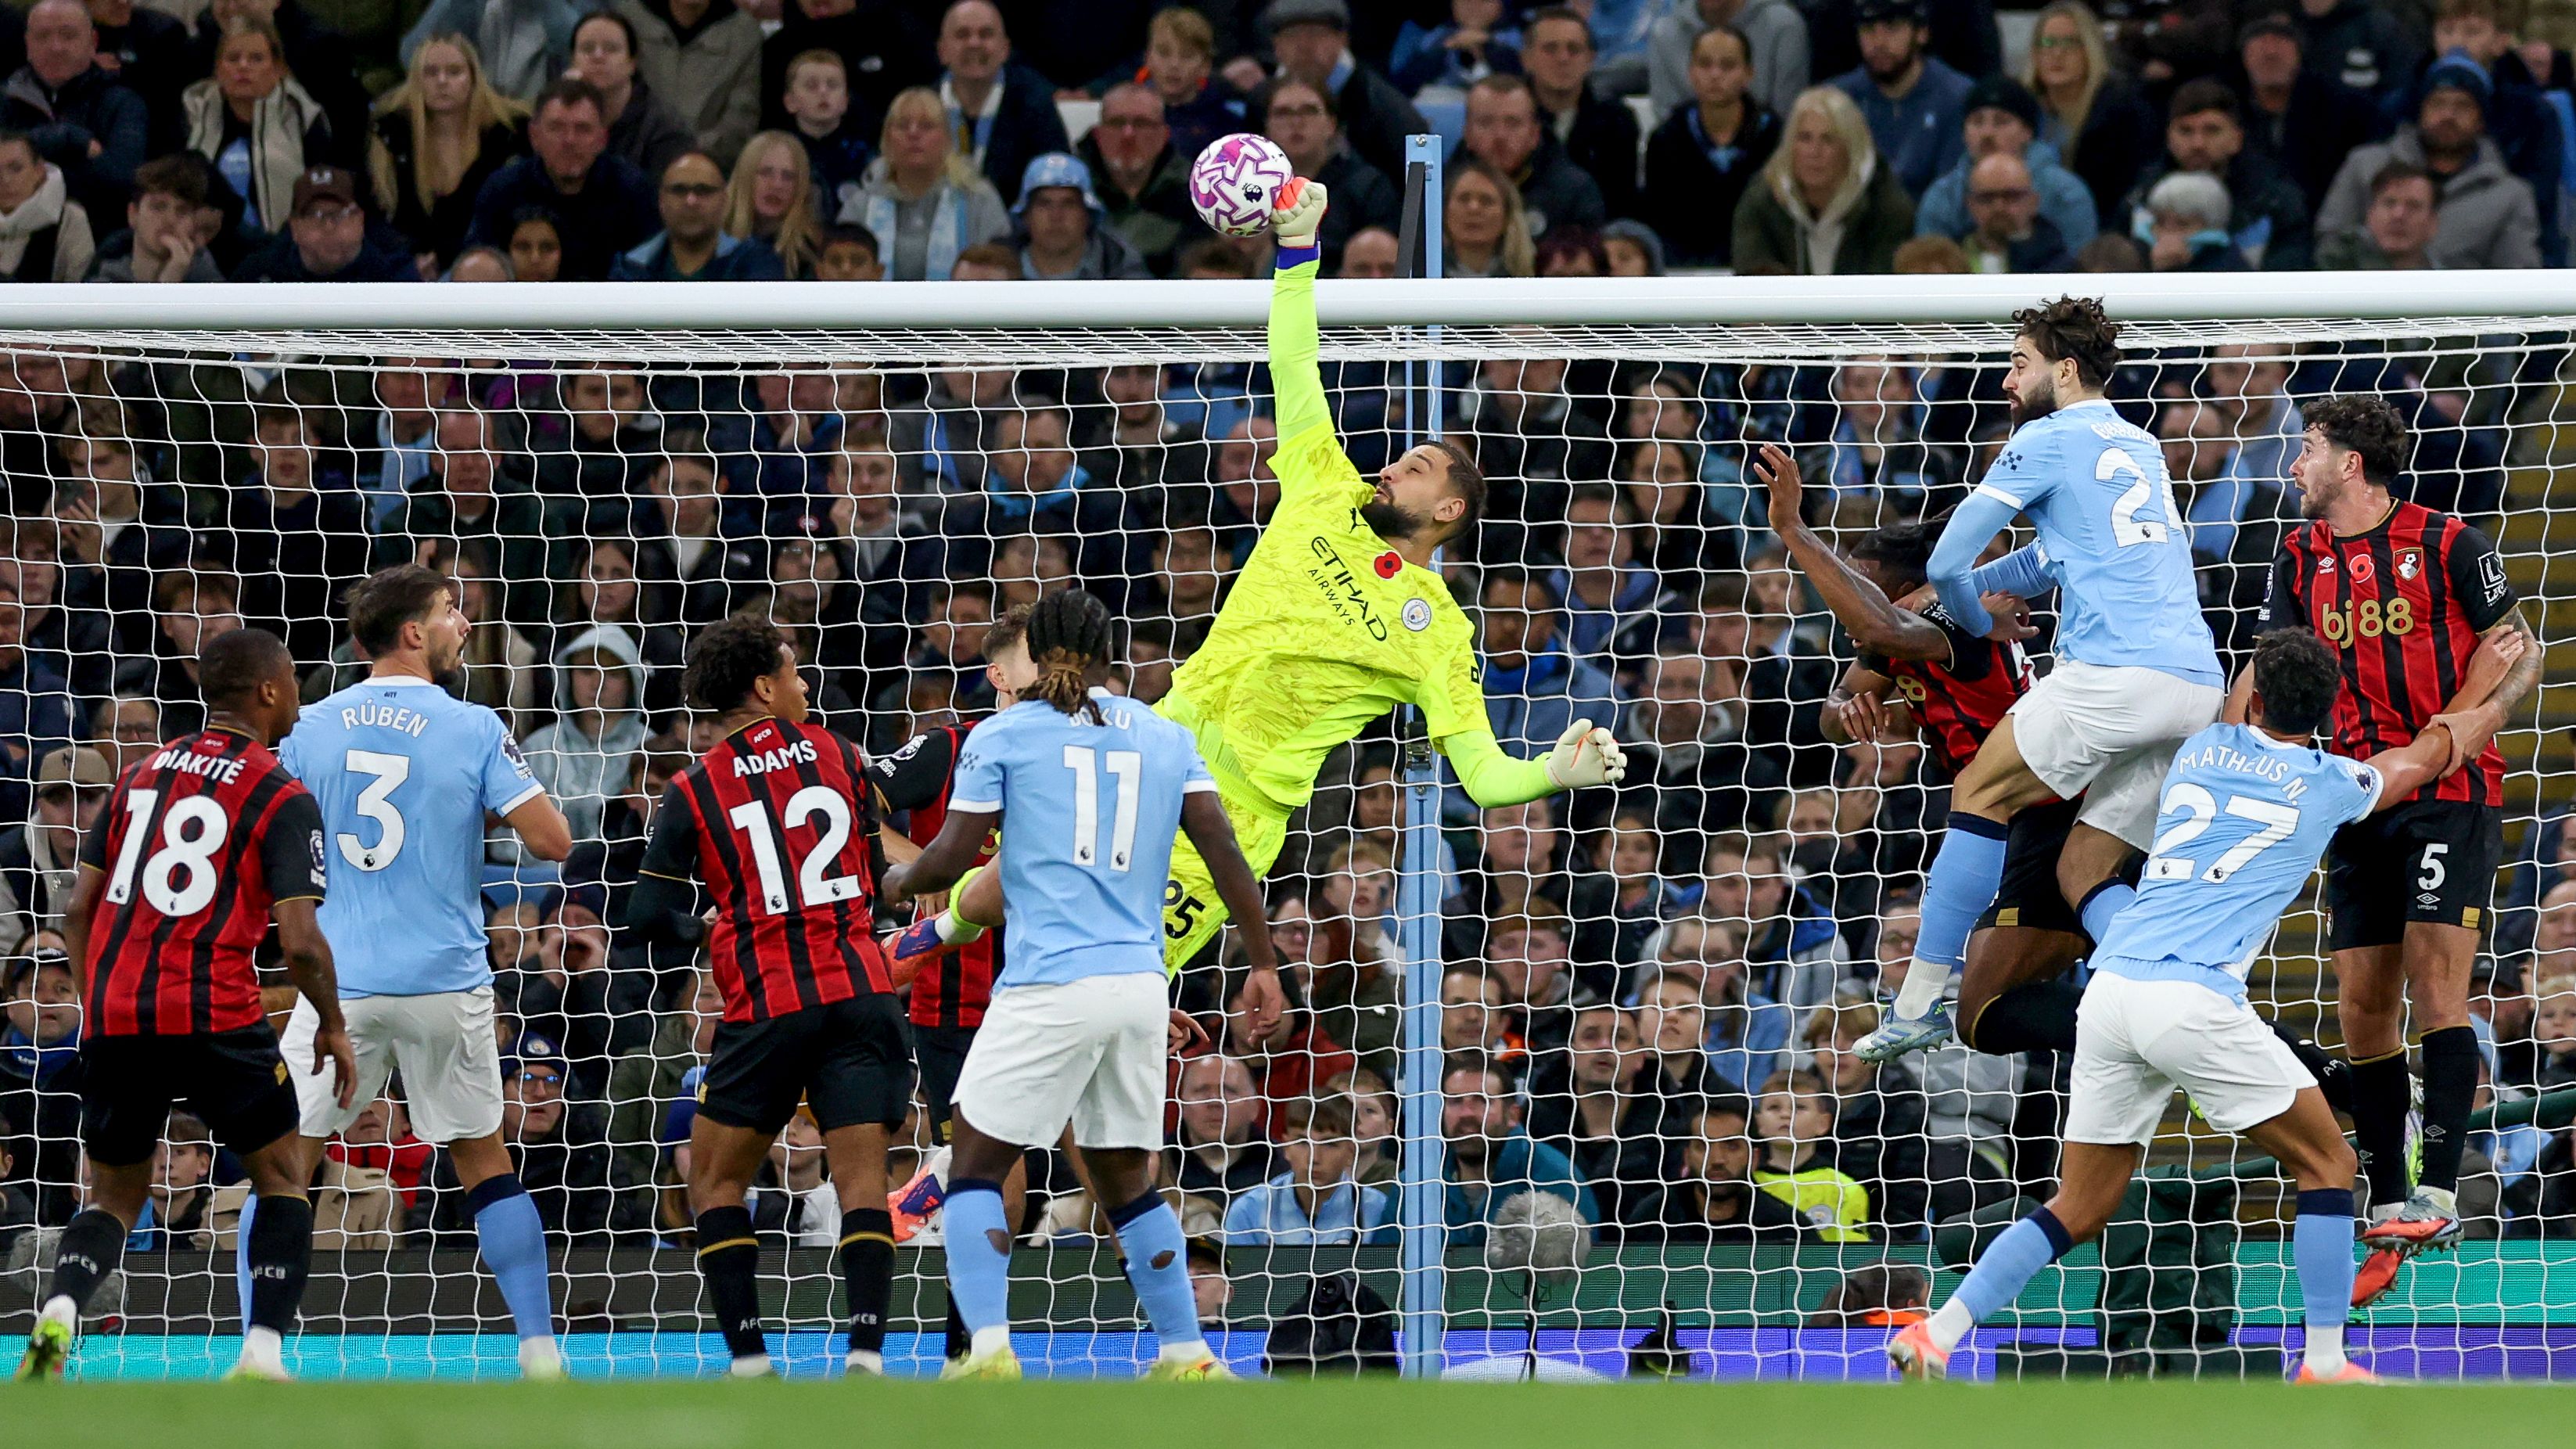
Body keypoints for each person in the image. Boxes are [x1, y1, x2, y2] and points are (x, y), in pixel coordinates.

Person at [902, 177, 1626, 985]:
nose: (1388, 468)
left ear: (1448, 507)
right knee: (1025, 872)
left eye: (1414, 468)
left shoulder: (1441, 630)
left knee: (1114, 978)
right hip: (1155, 742)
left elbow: (1485, 774)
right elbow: (1292, 358)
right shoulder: (1325, 487)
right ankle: (923, 936)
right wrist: (1295, 254)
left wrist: (1550, 773)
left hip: (1236, 819)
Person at [1888, 627, 2520, 1385]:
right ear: (2325, 711)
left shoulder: (2199, 750)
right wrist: (2494, 688)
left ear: (2252, 700)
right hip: (2191, 996)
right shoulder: (2328, 783)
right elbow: (2424, 757)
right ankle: (2322, 1361)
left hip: (2111, 991)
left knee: (2078, 1204)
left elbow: (2236, 701)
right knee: (2328, 1161)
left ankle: (1937, 1330)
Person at [881, 589, 1284, 1382]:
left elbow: (951, 857)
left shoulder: (1001, 734)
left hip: (1046, 984)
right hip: (1137, 987)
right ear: (1111, 652)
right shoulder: (1166, 736)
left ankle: (987, 1352)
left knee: (969, 1166)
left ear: (1035, 652)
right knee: (1127, 1182)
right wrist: (1264, 961)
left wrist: (899, 878)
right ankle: (1185, 1355)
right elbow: (1224, 850)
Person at [1862, 297, 2226, 1061]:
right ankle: (2183, 1000)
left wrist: (1966, 611)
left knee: (1976, 792)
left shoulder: (2047, 439)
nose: (2003, 380)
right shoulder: (2139, 446)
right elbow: (2046, 560)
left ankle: (1915, 1005)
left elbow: (1943, 561)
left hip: (2116, 672)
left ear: (2061, 370)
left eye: (2016, 362)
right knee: (2082, 869)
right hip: (2194, 686)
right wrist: (1955, 596)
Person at [2258, 395, 2542, 1306]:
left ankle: (2438, 1189)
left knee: (2434, 984)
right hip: (2354, 796)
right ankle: (2386, 1197)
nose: (2292, 462)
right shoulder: (2298, 556)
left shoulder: (2449, 541)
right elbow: (2271, 667)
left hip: (2449, 793)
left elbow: (2518, 649)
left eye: (2305, 447)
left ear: (2348, 462)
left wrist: (2469, 725)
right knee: (2361, 1011)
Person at [15, 627, 353, 1382]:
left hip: (121, 1014)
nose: (299, 690)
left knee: (112, 1195)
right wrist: (332, 1025)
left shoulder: (138, 777)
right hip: (217, 1015)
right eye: (293, 678)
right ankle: (262, 1355)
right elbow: (299, 941)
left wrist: (99, 996)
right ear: (267, 691)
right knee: (281, 1176)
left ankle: (56, 1323)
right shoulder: (282, 794)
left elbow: (77, 910)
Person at [268, 566, 573, 1378]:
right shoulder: (473, 726)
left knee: (285, 1168)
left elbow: (262, 834)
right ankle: (541, 1353)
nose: (463, 624)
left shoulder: (308, 728)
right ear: (413, 632)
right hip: (444, 978)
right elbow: (552, 841)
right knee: (483, 1160)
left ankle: (261, 1348)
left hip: (339, 984)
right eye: (450, 612)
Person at [620, 614, 911, 1377]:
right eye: (792, 671)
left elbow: (644, 919)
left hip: (767, 1001)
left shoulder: (691, 786)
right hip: (859, 988)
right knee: (861, 1181)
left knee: (713, 1179)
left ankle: (750, 1361)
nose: (803, 682)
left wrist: (712, 927)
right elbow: (877, 880)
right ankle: (868, 1356)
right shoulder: (841, 754)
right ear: (763, 687)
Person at [1758, 448, 2094, 1056]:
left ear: (1909, 590)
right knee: (1986, 1006)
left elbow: (1878, 627)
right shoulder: (1902, 638)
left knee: (1992, 1001)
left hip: (2048, 806)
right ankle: (2164, 1037)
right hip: (2012, 814)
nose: (1845, 604)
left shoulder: (1953, 619)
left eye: (1863, 586)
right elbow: (1833, 712)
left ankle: (2175, 1039)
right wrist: (1846, 709)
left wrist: (1793, 530)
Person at [2315, 52, 2544, 271]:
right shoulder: (2365, 165)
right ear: (2420, 111)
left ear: (2481, 120)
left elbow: (2518, 274)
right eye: (2438, 103)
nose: (2448, 115)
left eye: (2463, 106)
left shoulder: (2510, 196)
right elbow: (2330, 241)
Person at [466, 76, 657, 280]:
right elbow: (477, 268)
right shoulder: (502, 189)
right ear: (534, 136)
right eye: (556, 128)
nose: (569, 140)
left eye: (582, 129)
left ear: (602, 139)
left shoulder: (632, 190)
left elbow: (651, 274)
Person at [368, 32, 527, 275]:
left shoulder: (508, 135)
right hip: (408, 268)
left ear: (473, 79)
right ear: (416, 81)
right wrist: (409, 264)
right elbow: (376, 218)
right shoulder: (392, 135)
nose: (442, 81)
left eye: (454, 72)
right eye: (431, 73)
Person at [1732, 84, 1915, 275]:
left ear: (1850, 149)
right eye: (1804, 138)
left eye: (1828, 139)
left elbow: (1882, 295)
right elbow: (1753, 284)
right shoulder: (1762, 202)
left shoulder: (1887, 210)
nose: (1814, 152)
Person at [1641, 25, 1780, 268]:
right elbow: (1660, 223)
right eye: (1705, 64)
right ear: (1691, 72)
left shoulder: (1775, 137)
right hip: (1683, 273)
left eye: (1727, 66)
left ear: (1749, 74)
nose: (1715, 75)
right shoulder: (1665, 139)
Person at [839, 83, 1008, 279]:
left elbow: (1000, 271)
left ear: (947, 139)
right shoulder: (862, 205)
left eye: (926, 126)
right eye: (902, 126)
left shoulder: (979, 200)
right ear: (887, 138)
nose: (913, 134)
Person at [182, 15, 329, 239]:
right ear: (218, 69)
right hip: (204, 243)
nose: (243, 66)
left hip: (284, 245)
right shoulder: (192, 112)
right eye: (233, 58)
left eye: (256, 59)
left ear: (278, 68)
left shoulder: (304, 116)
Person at [5, 0, 146, 223]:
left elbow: (122, 181)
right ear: (27, 45)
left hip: (96, 231)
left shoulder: (123, 103)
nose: (56, 47)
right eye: (42, 37)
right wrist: (72, 139)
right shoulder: (5, 100)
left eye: (68, 36)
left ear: (93, 42)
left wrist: (27, 171)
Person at [1831, 0, 1971, 199]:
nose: (1878, 42)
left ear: (1921, 33)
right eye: (1868, 29)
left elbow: (1951, 195)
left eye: (1892, 28)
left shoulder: (1957, 98)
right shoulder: (1837, 99)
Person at [930, 0, 1064, 206]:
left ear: (1005, 49)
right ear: (942, 51)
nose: (974, 43)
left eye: (986, 34)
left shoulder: (1034, 105)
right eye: (962, 35)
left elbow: (1056, 183)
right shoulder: (921, 107)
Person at [1520, 7, 1638, 222]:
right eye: (1550, 49)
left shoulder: (1617, 122)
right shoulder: (1502, 117)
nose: (1563, 58)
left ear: (1590, 59)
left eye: (1574, 49)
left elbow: (1622, 207)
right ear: (1526, 59)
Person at [613, 0, 762, 167]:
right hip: (631, 161)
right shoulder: (630, 16)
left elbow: (741, 119)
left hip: (708, 167)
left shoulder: (744, 34)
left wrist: (688, 150)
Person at [608, 149, 785, 279]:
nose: (691, 201)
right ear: (661, 201)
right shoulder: (628, 270)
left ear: (724, 200)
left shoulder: (757, 264)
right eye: (679, 190)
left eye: (704, 190)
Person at [231, 163, 422, 281]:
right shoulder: (260, 276)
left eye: (339, 214)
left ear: (360, 221)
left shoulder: (395, 275)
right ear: (295, 227)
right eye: (315, 216)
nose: (329, 227)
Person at [566, 9, 690, 184]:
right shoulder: (556, 116)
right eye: (587, 49)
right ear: (572, 61)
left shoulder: (665, 129)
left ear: (632, 62)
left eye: (611, 48)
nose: (598, 56)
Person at [1649, 0, 1809, 120]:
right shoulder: (1665, 33)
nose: (1715, 74)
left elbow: (1789, 125)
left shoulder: (1784, 26)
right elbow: (1667, 122)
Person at [724, 129, 825, 278]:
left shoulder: (810, 253)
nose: (777, 185)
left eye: (788, 176)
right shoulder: (710, 239)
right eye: (765, 173)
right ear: (745, 177)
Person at [0, 128, 92, 281]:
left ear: (39, 170)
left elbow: (83, 294)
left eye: (16, 169)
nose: (5, 180)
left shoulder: (69, 218)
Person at [2314, 160, 2441, 269]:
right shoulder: (2332, 267)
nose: (2398, 215)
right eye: (2389, 204)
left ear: (2432, 223)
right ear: (2371, 214)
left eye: (2413, 206)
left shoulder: (2445, 284)